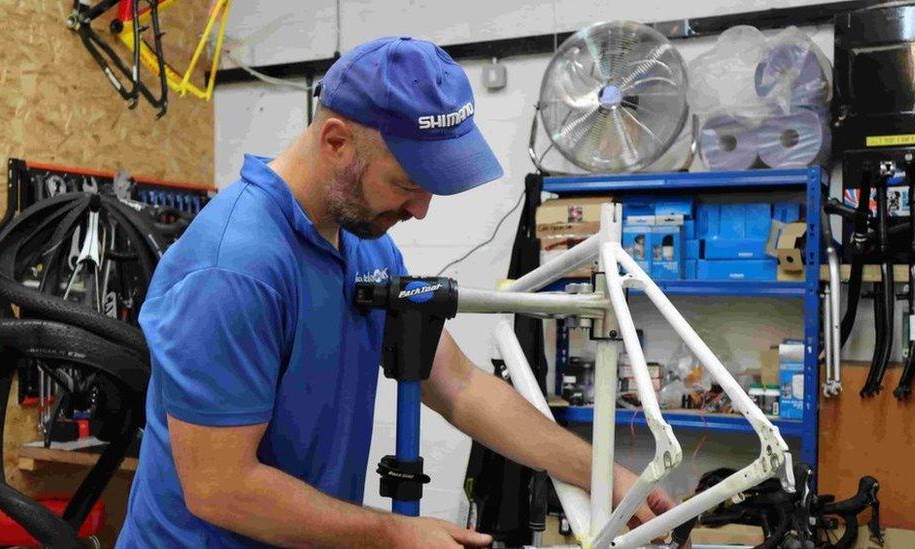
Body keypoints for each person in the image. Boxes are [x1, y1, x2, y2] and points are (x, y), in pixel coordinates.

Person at [117, 36, 676, 548]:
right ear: (336, 143)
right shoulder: (235, 267)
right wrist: (392, 534)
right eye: (407, 184)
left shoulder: (364, 246)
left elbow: (459, 385)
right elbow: (220, 487)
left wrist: (607, 478)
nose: (420, 209)